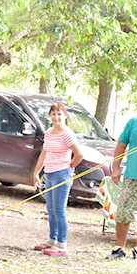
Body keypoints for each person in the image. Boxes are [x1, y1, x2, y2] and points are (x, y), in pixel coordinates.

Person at [31, 103, 84, 256]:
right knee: (51, 209)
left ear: (65, 116)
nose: (56, 117)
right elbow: (44, 153)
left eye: (59, 114)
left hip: (62, 174)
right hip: (50, 174)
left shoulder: (67, 134)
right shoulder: (49, 132)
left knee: (60, 210)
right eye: (53, 114)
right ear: (50, 116)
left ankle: (62, 244)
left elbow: (79, 154)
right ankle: (52, 240)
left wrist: (70, 167)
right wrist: (36, 172)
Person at [106, 114, 137, 259]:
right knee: (124, 213)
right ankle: (119, 248)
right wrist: (116, 168)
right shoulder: (135, 122)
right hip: (132, 177)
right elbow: (121, 145)